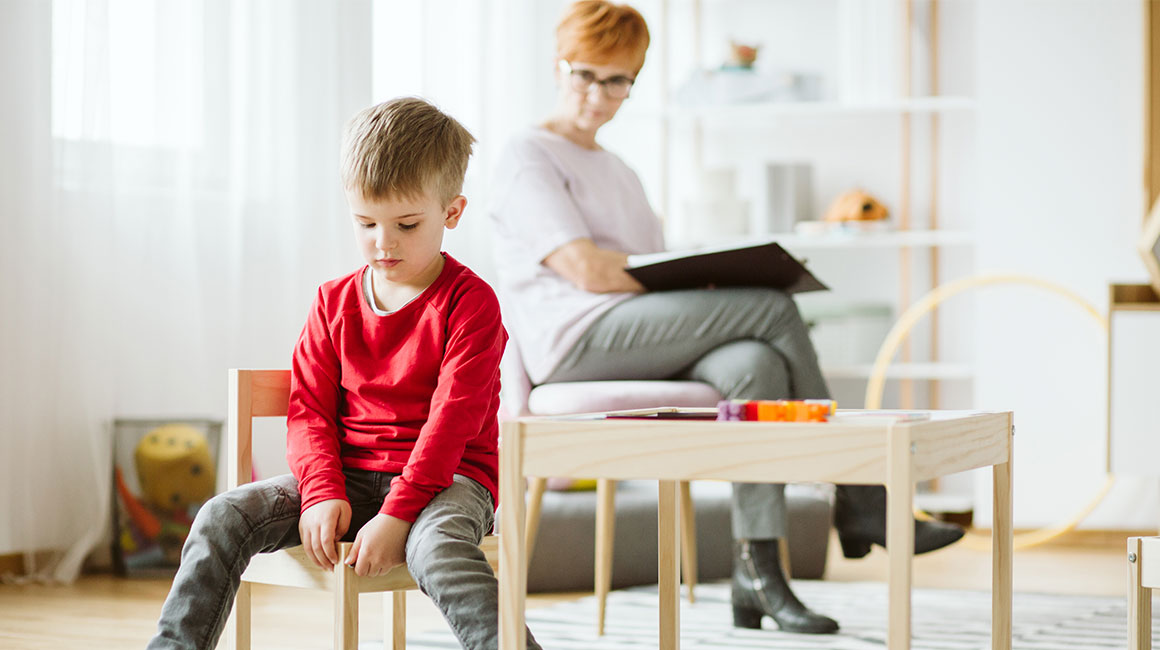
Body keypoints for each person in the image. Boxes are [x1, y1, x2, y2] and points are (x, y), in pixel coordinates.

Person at [487, 0, 964, 637]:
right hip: (575, 339)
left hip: (643, 331)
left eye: (618, 80)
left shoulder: (620, 170)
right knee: (770, 306)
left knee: (758, 363)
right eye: (586, 75)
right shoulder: (528, 154)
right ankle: (861, 494)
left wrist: (697, 277)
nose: (599, 95)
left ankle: (757, 574)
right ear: (558, 65)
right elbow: (589, 272)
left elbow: (647, 263)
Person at [148, 97, 541, 650]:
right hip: (347, 478)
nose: (384, 241)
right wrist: (320, 490)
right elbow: (308, 410)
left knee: (439, 550)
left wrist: (398, 515)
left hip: (446, 482)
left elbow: (453, 424)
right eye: (366, 222)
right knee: (221, 516)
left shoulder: (471, 303)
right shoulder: (332, 302)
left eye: (407, 224)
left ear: (452, 212)